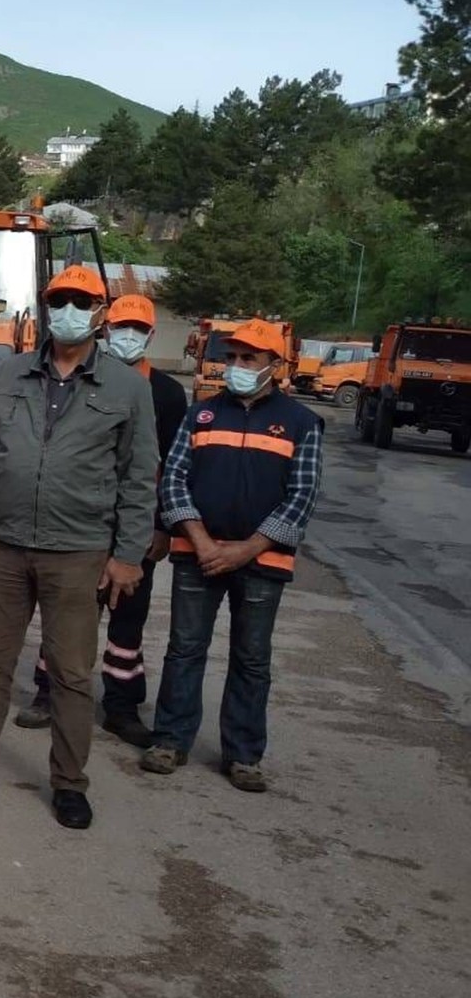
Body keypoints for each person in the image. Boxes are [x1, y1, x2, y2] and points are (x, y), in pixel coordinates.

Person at [0, 264, 157, 830]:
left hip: (78, 553)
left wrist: (127, 555)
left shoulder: (128, 388)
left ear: (99, 313)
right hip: (2, 546)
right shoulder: (10, 373)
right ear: (46, 306)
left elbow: (139, 476)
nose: (69, 310)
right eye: (60, 300)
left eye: (81, 301)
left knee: (72, 674)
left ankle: (69, 782)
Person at [141, 319, 322, 793]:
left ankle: (243, 755)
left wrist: (248, 548)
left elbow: (301, 496)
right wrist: (199, 540)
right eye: (232, 357)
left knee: (251, 658)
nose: (236, 366)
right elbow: (175, 478)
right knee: (184, 649)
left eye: (249, 359)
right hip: (195, 554)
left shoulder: (302, 422)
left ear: (274, 366)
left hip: (262, 562)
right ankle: (170, 740)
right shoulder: (200, 414)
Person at [14, 294, 189, 741]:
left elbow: (171, 465)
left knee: (128, 620)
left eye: (137, 329)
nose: (127, 335)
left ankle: (122, 705)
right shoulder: (78, 380)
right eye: (120, 326)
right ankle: (48, 693)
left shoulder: (166, 393)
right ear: (105, 328)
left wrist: (161, 526)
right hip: (83, 525)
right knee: (66, 616)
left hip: (135, 528)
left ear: (150, 336)